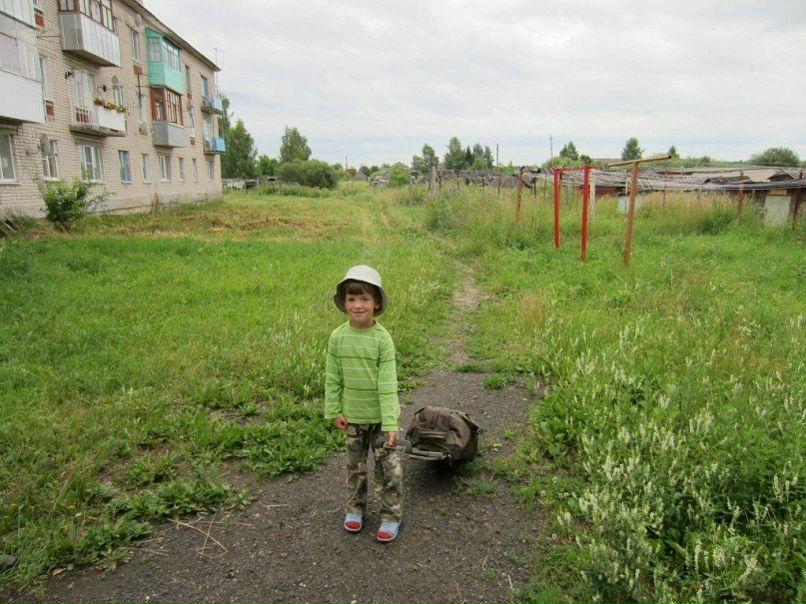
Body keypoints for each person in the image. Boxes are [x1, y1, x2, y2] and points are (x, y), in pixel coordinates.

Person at [324, 265, 403, 542]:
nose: (358, 305)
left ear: (376, 302)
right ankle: (354, 509)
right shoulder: (338, 337)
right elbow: (333, 377)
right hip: (352, 419)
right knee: (354, 469)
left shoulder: (382, 339)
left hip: (380, 420)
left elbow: (388, 384)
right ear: (344, 302)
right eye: (352, 299)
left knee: (388, 470)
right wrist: (333, 410)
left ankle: (391, 516)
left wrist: (390, 422)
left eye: (364, 299)